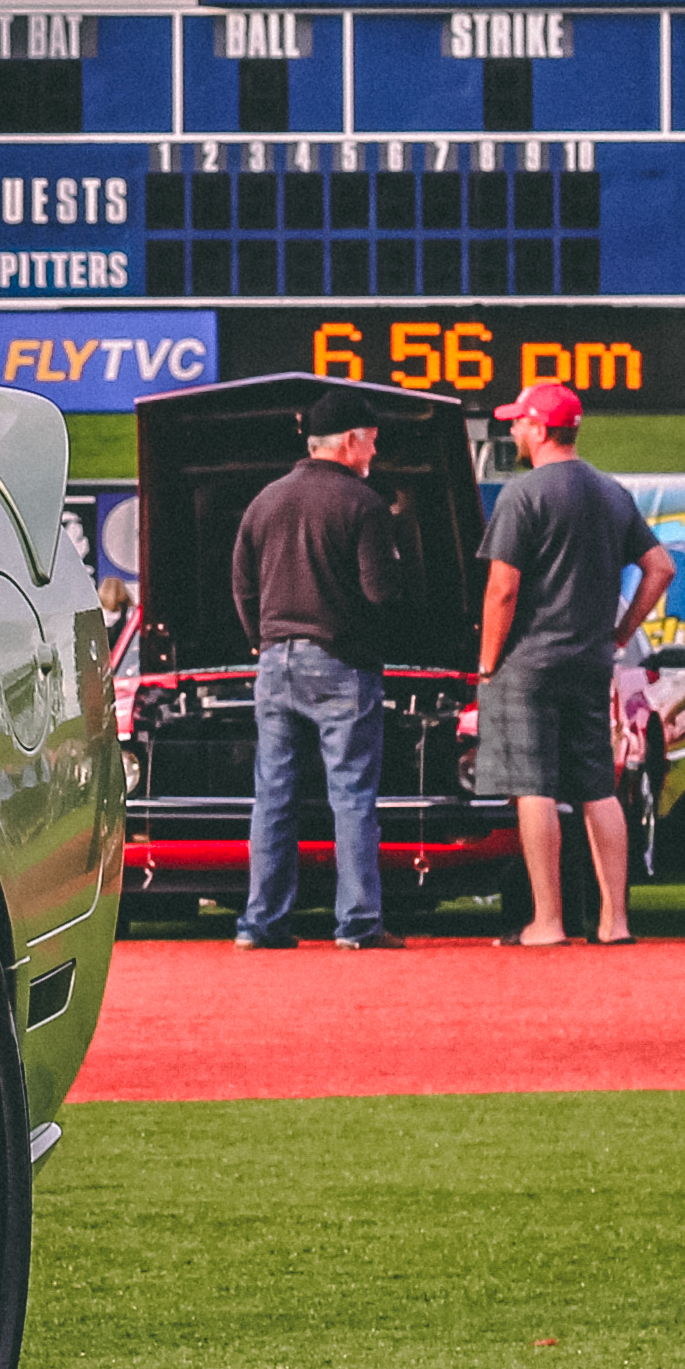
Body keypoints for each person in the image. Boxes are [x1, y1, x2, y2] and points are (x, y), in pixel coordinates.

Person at [472, 378, 676, 948]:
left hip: (529, 662)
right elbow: (660, 567)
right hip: (590, 662)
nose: (513, 429)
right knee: (597, 788)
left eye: (518, 421)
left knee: (534, 787)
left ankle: (548, 921)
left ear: (539, 428)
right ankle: (615, 922)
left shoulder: (523, 493)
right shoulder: (611, 491)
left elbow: (502, 590)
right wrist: (618, 634)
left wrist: (488, 662)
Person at [227, 382, 411, 951]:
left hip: (274, 661)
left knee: (274, 796)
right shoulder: (363, 504)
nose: (375, 454)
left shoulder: (266, 500)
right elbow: (381, 593)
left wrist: (262, 639)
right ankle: (357, 925)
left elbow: (241, 584)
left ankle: (261, 924)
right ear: (350, 442)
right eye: (372, 443)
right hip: (340, 663)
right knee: (352, 795)